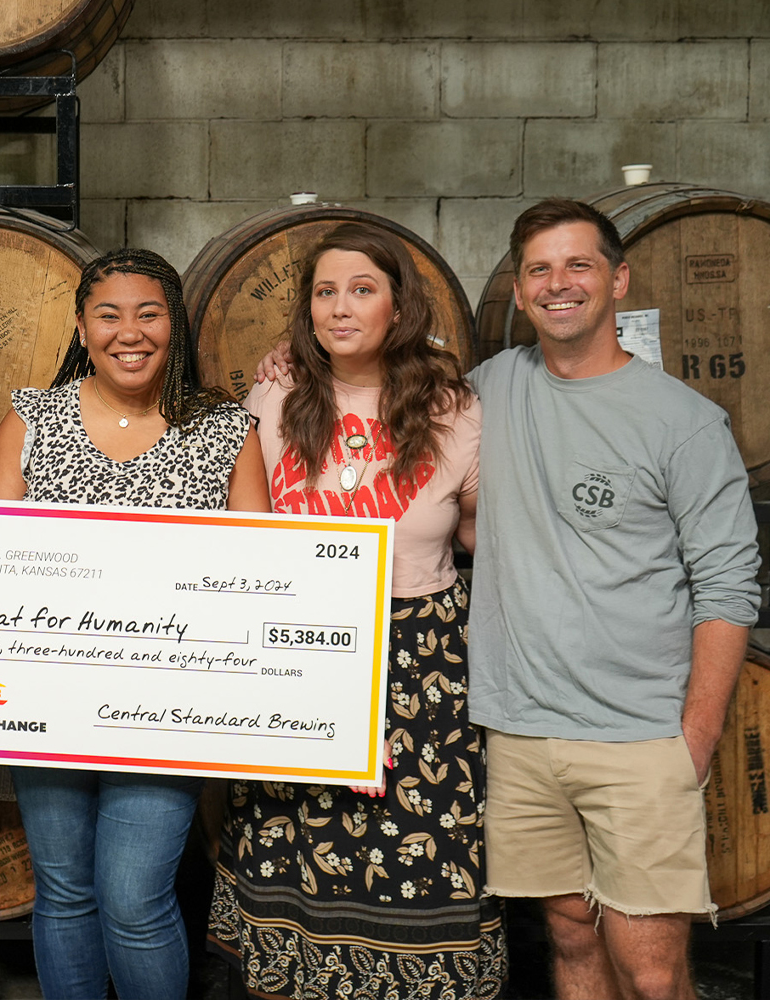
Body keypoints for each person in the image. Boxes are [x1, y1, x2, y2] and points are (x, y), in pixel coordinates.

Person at [464, 199, 760, 1000]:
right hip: (522, 729)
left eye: (579, 265)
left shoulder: (684, 422)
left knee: (652, 971)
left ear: (618, 279)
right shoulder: (488, 390)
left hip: (639, 736)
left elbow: (729, 588)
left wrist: (692, 741)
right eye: (540, 270)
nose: (559, 285)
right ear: (520, 293)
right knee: (567, 938)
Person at [214, 222, 505, 999]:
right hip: (301, 652)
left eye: (362, 290)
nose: (341, 308)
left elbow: (482, 536)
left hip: (420, 663)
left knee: (423, 861)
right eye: (325, 291)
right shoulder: (276, 394)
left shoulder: (456, 407)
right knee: (299, 863)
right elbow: (246, 533)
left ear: (398, 305)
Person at [0, 247, 272, 999]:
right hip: (46, 705)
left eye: (149, 313)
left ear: (173, 324)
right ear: (82, 325)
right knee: (65, 891)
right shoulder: (32, 418)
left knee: (135, 896)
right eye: (108, 315)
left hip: (166, 712)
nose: (128, 332)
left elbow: (267, 576)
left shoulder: (225, 431)